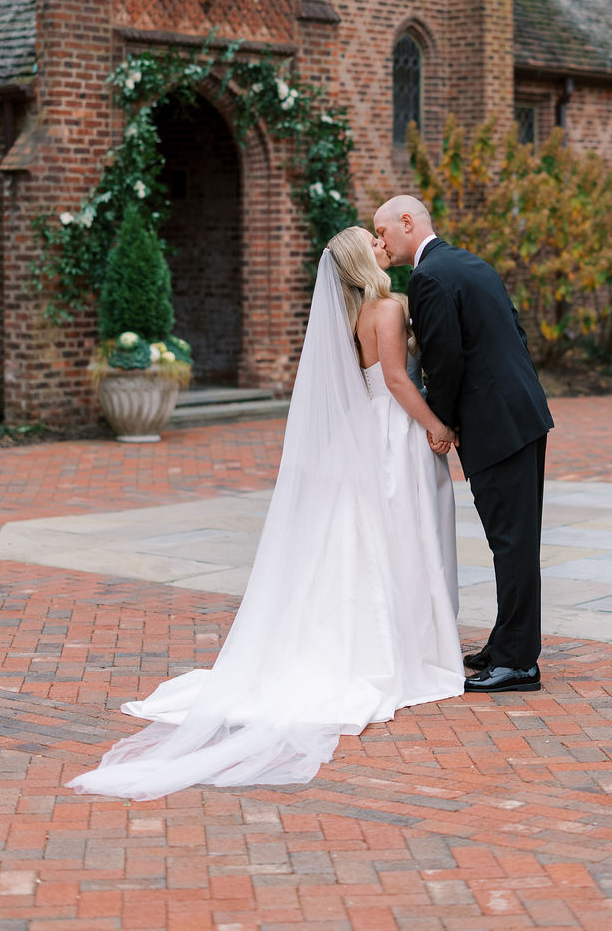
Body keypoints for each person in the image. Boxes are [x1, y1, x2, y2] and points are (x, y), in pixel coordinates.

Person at [67, 227, 465, 800]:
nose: (382, 246)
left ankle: (388, 636)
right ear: (361, 262)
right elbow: (398, 379)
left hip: (363, 430)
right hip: (393, 431)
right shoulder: (388, 306)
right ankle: (405, 645)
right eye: (372, 243)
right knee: (400, 535)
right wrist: (435, 425)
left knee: (361, 539)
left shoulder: (352, 317)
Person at [373, 195, 553, 694]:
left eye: (383, 231)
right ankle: (506, 642)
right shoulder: (469, 262)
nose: (380, 242)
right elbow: (512, 333)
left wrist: (441, 424)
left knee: (512, 542)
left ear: (408, 223)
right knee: (514, 538)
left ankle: (519, 663)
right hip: (520, 415)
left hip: (495, 424)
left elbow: (445, 361)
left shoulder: (429, 277)